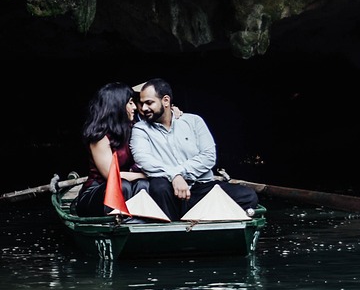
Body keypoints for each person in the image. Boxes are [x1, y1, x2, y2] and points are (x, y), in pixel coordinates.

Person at [130, 77, 259, 218]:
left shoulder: (194, 121)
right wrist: (174, 177)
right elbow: (143, 158)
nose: (143, 108)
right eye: (142, 104)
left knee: (248, 196)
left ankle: (192, 216)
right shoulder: (141, 128)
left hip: (201, 187)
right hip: (169, 190)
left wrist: (179, 174)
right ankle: (177, 227)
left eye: (149, 103)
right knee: (159, 187)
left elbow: (209, 156)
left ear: (166, 101)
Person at [74, 82, 150, 217]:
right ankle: (117, 226)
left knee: (143, 185)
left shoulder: (133, 128)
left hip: (126, 185)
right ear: (118, 106)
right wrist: (148, 175)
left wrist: (173, 112)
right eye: (130, 103)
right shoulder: (100, 137)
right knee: (123, 186)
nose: (135, 107)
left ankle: (140, 222)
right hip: (97, 192)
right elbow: (111, 176)